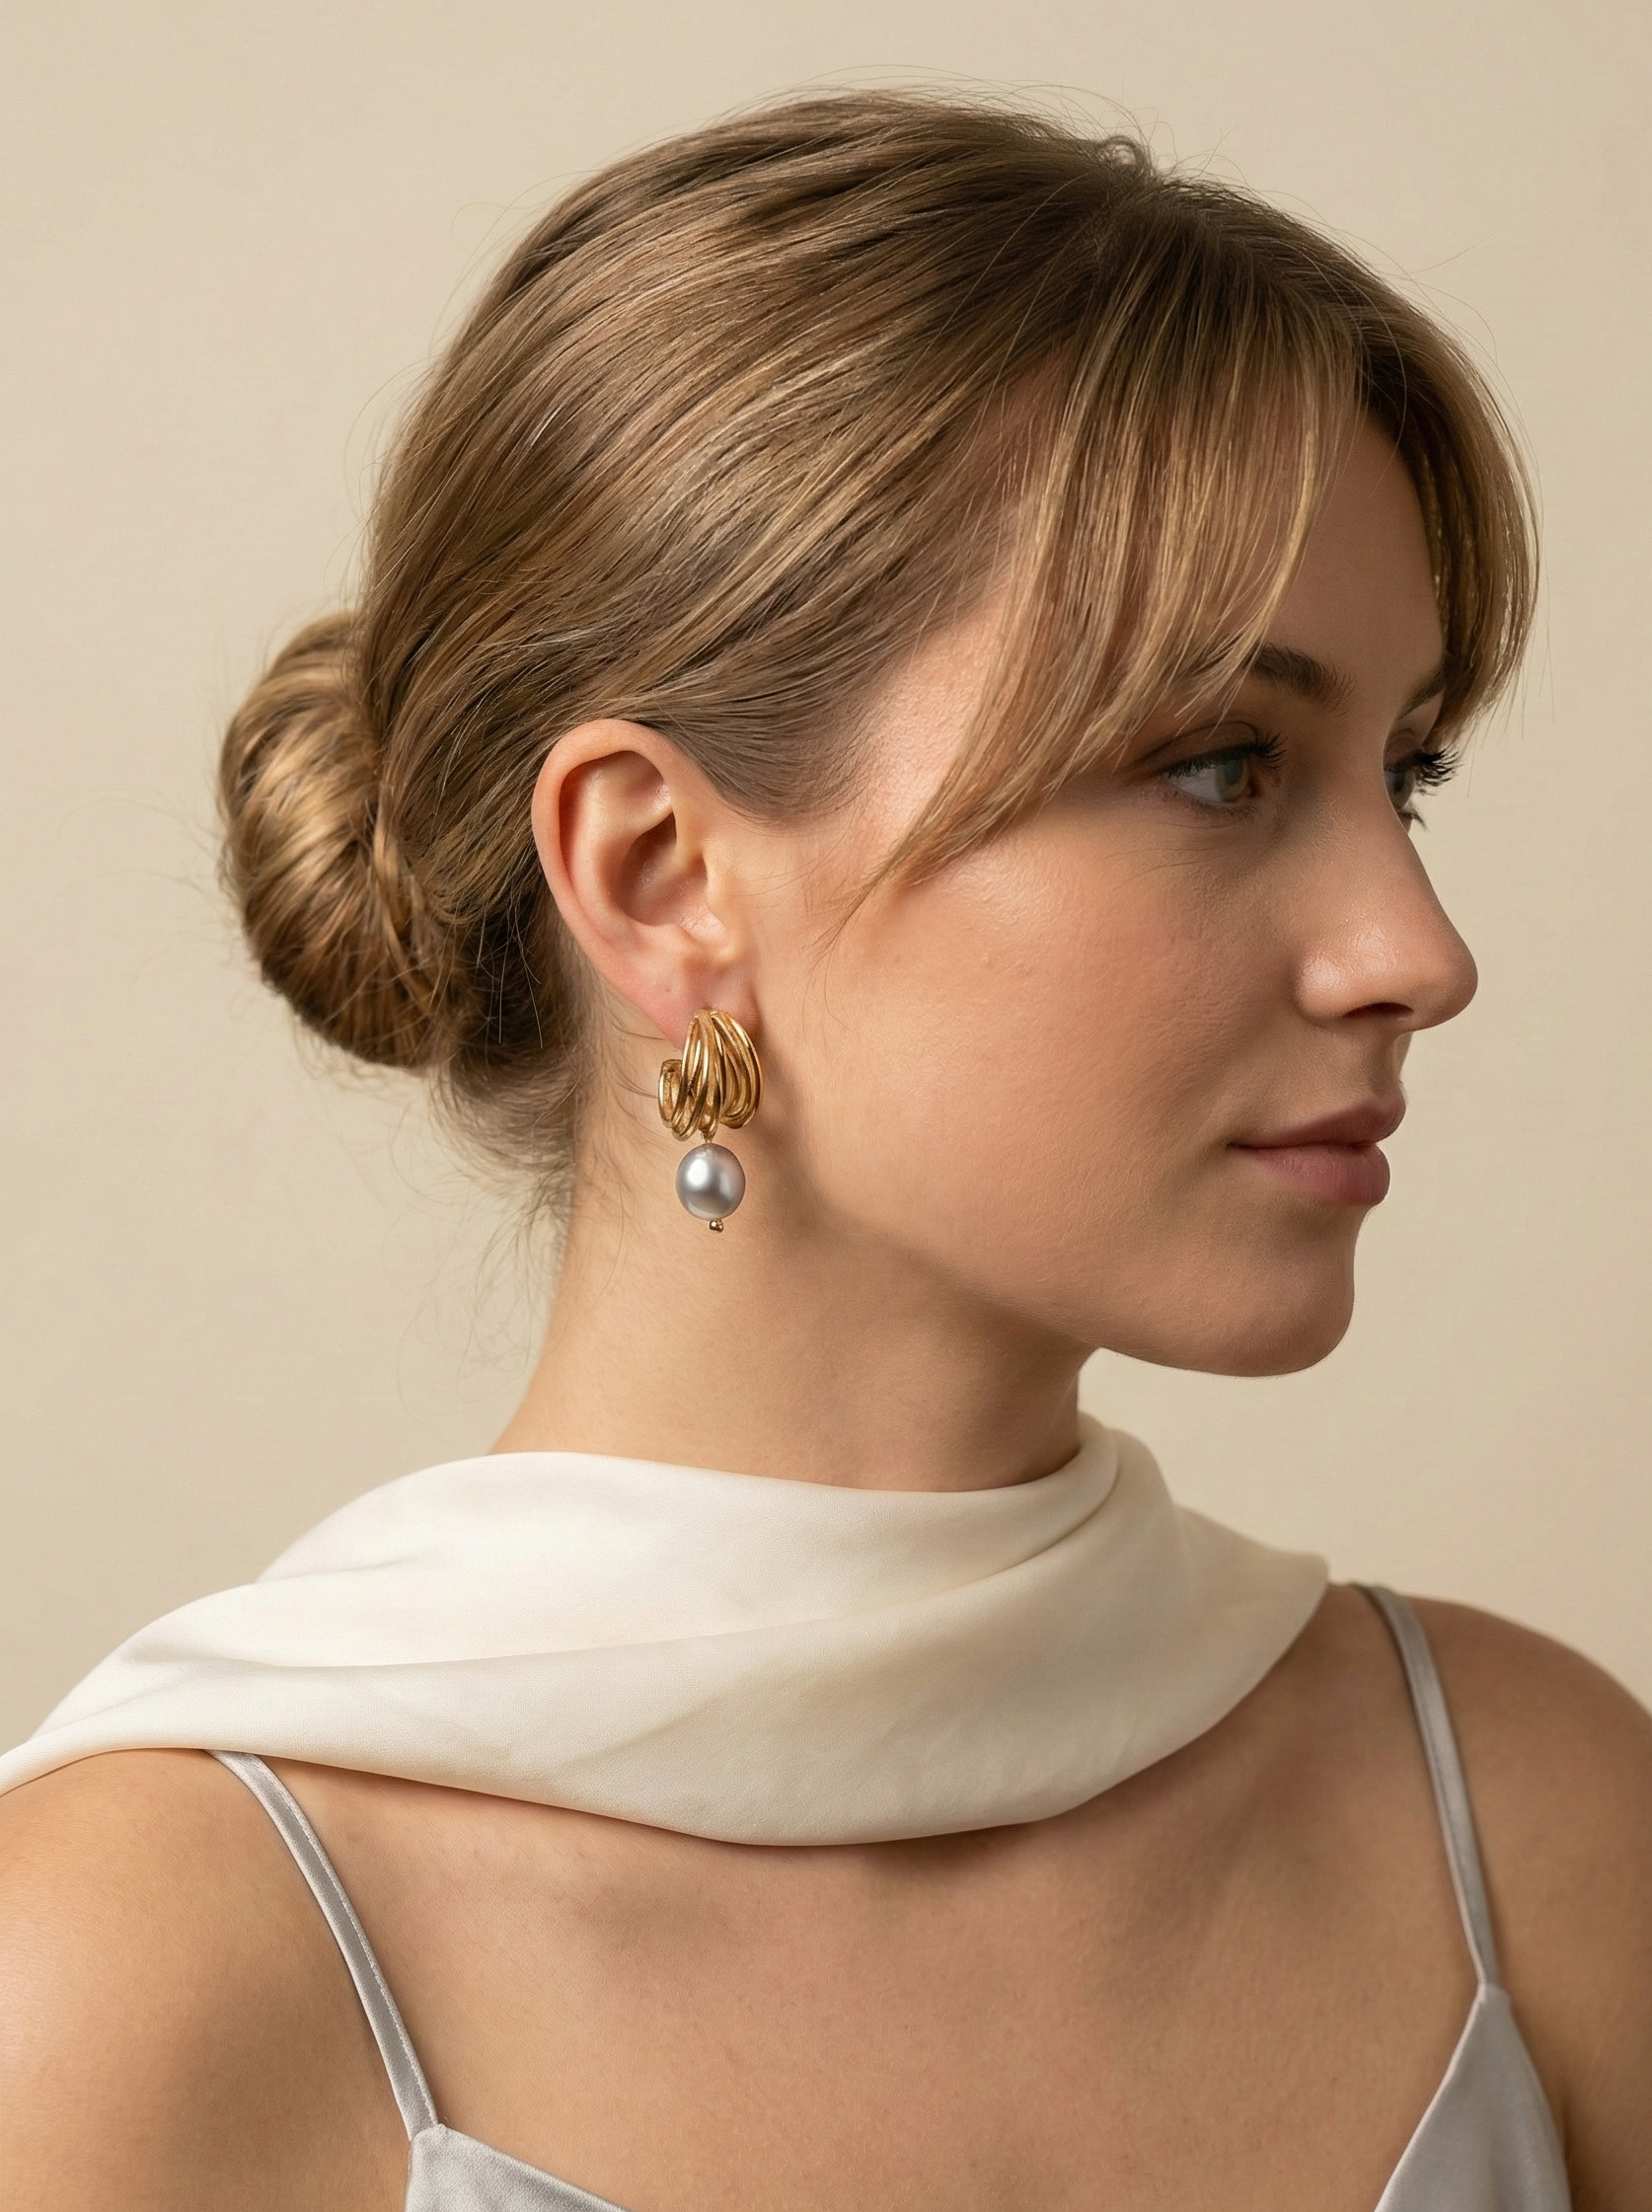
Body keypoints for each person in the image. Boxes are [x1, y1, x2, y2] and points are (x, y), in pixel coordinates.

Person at [0, 89, 1647, 2212]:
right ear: (665, 870)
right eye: (1226, 762)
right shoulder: (131, 1983)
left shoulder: (1531, 1836)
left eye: (1401, 779)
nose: (1417, 952)